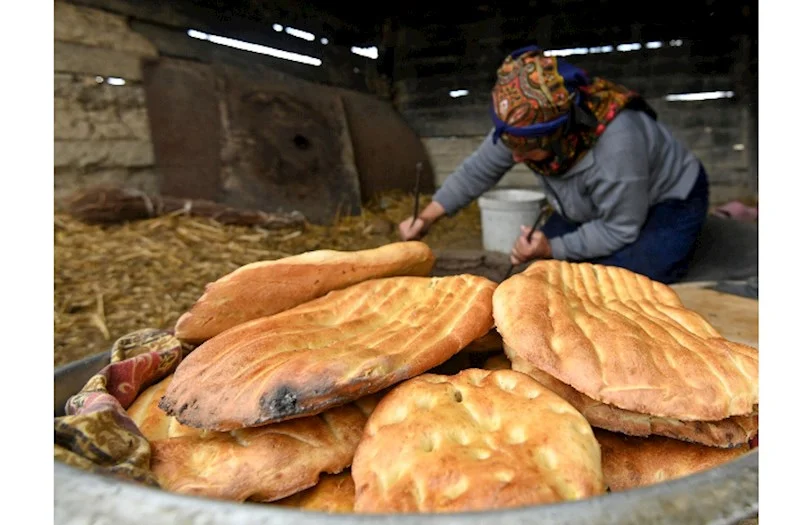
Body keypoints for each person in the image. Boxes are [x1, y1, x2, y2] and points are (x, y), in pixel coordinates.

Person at [398, 45, 709, 284]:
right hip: (594, 203)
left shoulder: (616, 145)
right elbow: (477, 171)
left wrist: (552, 247)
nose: (516, 159)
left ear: (559, 136)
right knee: (544, 272)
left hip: (670, 198)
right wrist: (427, 218)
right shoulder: (523, 123)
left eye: (527, 152)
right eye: (511, 149)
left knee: (627, 277)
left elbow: (619, 229)